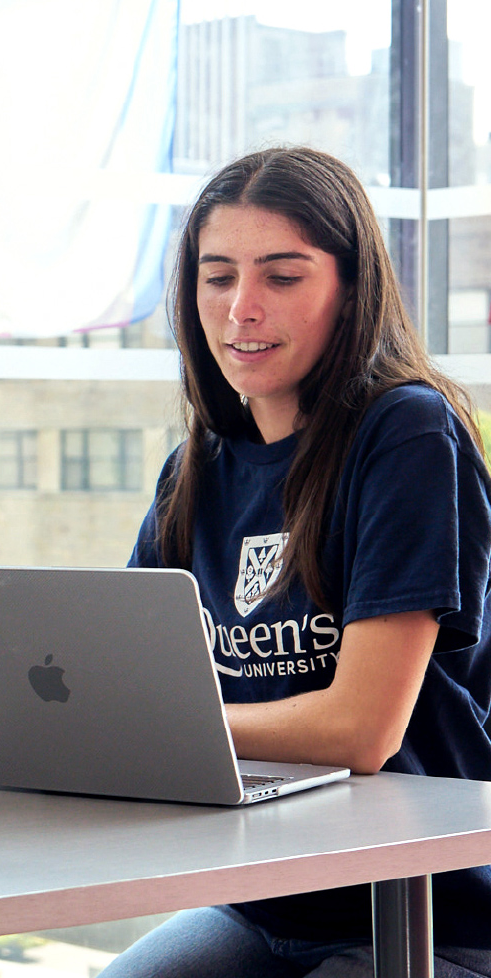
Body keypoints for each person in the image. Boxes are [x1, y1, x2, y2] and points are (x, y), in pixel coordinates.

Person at [102, 147, 491, 975]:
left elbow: (361, 731)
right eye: (218, 277)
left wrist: (160, 732)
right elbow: (125, 682)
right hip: (263, 900)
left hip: (424, 909)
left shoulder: (408, 432)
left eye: (282, 277)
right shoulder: (195, 470)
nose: (241, 308)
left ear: (351, 289)